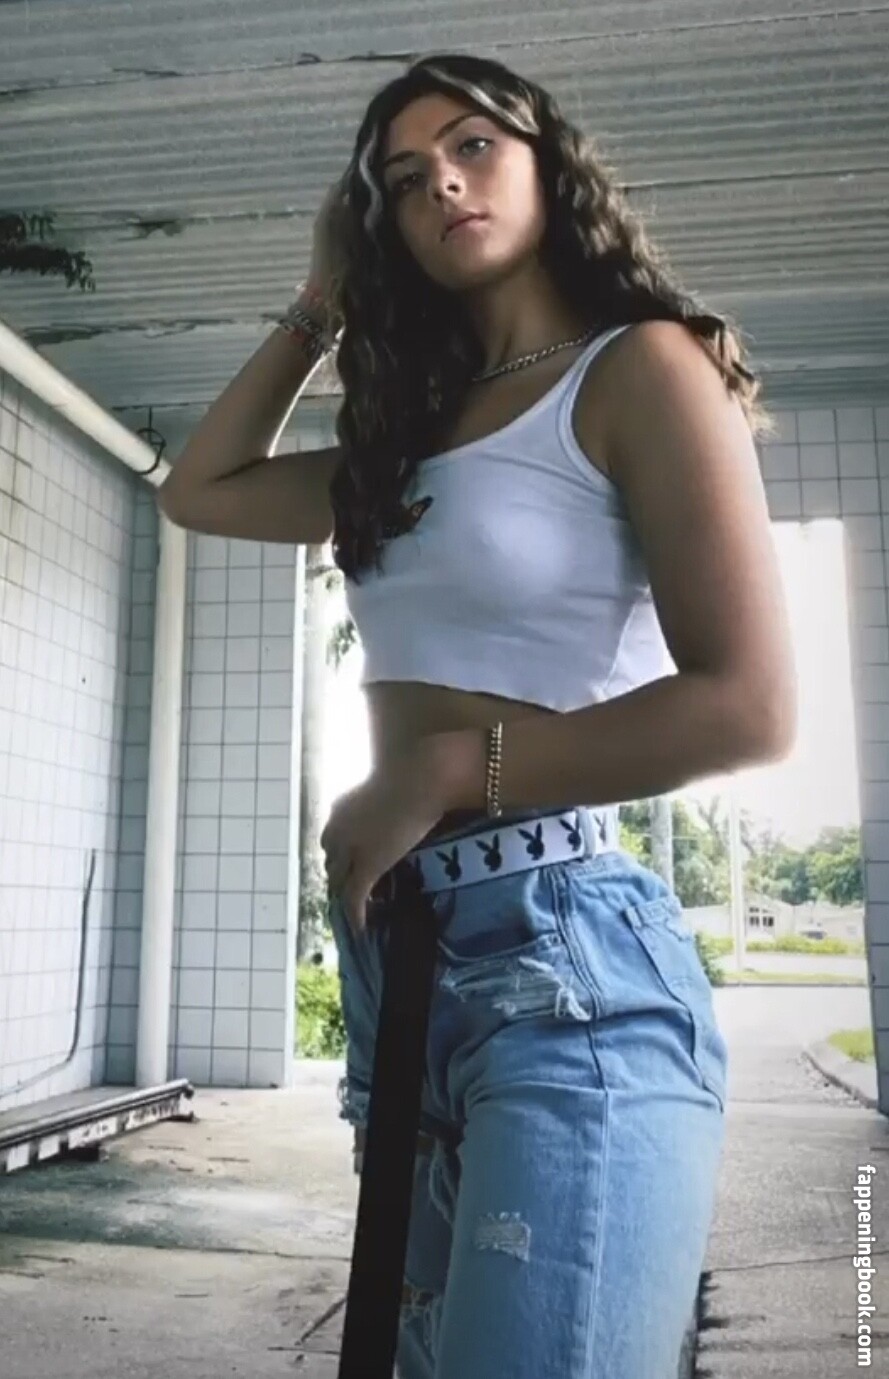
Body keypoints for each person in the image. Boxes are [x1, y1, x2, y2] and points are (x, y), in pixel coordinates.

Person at [157, 50, 797, 1379]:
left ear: (549, 164)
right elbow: (198, 490)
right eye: (402, 181)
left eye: (472, 146)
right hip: (407, 963)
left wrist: (453, 767)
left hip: (563, 957)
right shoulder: (411, 439)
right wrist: (319, 305)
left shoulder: (637, 369)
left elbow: (748, 706)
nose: (440, 183)